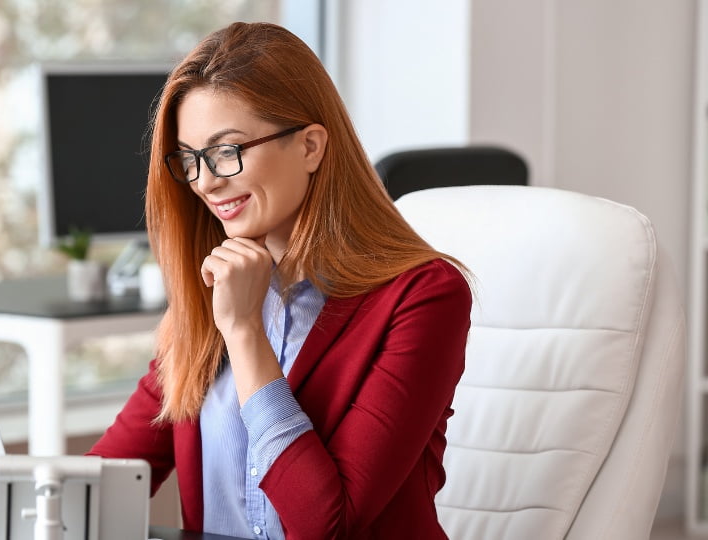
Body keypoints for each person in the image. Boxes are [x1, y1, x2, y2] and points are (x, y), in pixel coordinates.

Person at [88, 21, 471, 539]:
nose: (206, 181)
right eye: (191, 160)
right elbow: (106, 478)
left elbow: (326, 526)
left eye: (227, 151)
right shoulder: (213, 292)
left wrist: (244, 333)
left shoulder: (424, 296)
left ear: (310, 147)